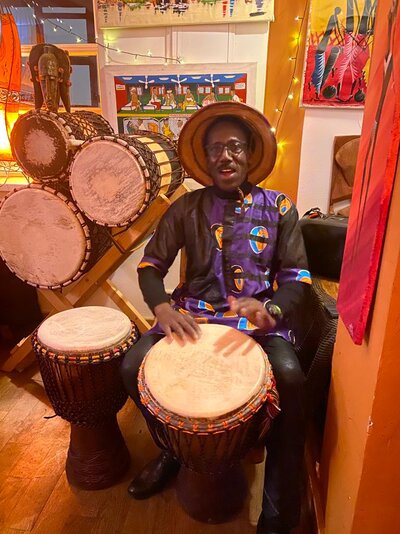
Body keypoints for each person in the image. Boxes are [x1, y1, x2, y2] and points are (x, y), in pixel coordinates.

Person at [121, 101, 311, 534]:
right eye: (215, 149)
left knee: (291, 379)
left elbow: (296, 277)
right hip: (193, 315)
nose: (225, 156)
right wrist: (162, 307)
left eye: (235, 147)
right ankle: (171, 449)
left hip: (258, 321)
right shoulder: (185, 208)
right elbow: (150, 267)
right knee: (132, 367)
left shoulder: (280, 207)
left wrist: (271, 309)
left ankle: (279, 509)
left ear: (249, 153)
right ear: (205, 158)